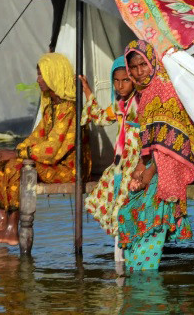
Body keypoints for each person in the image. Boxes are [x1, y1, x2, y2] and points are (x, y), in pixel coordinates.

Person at [0, 53, 91, 245]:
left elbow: (51, 150)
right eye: (38, 75)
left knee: (15, 167)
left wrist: (17, 154)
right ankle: (3, 221)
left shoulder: (70, 109)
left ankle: (12, 231)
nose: (38, 80)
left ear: (55, 75)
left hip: (70, 170)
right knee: (6, 163)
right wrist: (12, 151)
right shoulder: (52, 107)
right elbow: (37, 137)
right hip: (53, 165)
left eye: (42, 75)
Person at [117, 39, 194, 273]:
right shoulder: (144, 95)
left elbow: (169, 140)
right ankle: (138, 262)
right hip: (159, 158)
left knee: (152, 201)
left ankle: (146, 266)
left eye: (142, 65)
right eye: (132, 67)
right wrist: (139, 169)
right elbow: (152, 141)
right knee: (128, 203)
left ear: (151, 61)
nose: (138, 72)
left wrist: (148, 173)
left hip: (182, 156)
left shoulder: (165, 86)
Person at [80, 56, 140, 263]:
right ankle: (120, 253)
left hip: (136, 162)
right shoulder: (119, 105)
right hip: (122, 162)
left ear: (134, 79)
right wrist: (87, 90)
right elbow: (99, 117)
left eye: (126, 80)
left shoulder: (140, 103)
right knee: (108, 193)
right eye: (116, 80)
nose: (120, 85)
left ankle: (123, 253)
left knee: (122, 202)